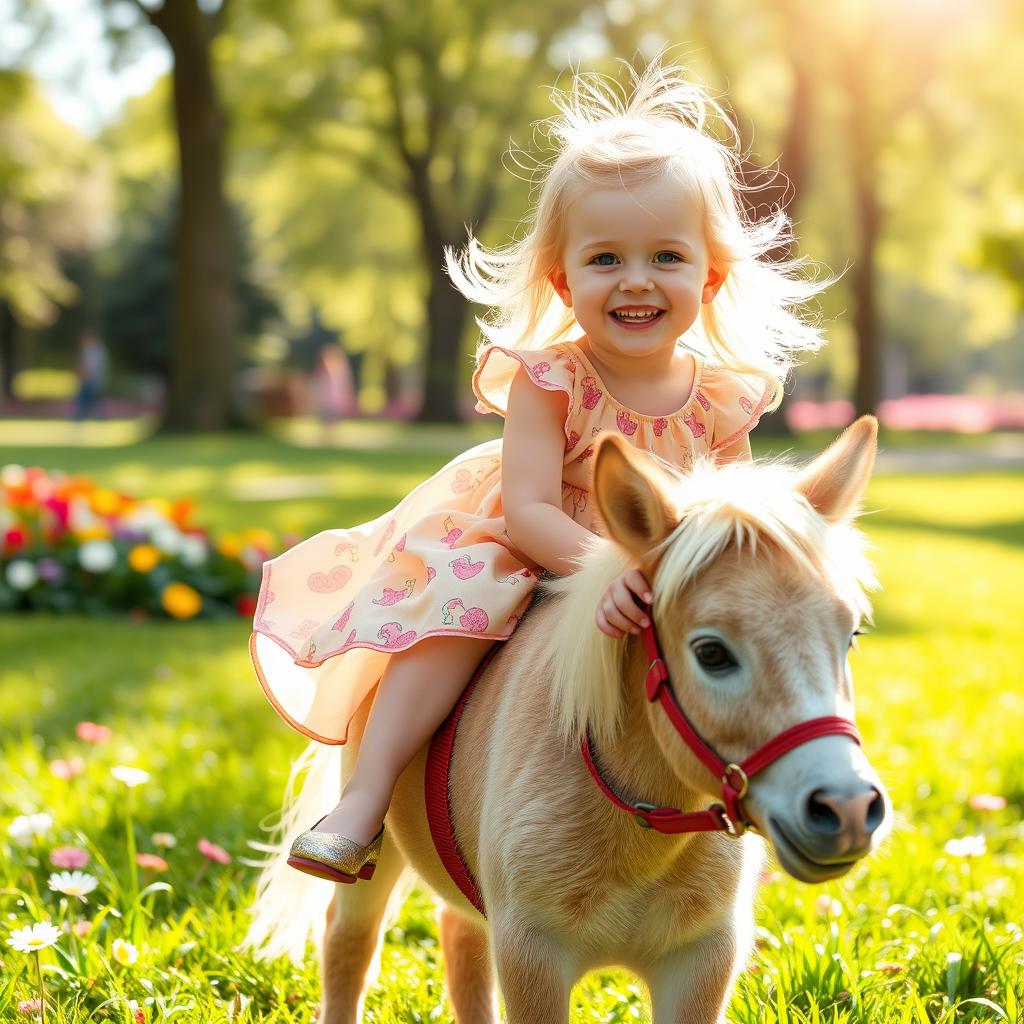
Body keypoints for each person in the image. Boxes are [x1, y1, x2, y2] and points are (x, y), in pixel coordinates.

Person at [249, 59, 832, 883]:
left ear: (710, 275)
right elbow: (525, 506)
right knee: (455, 613)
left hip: (662, 577)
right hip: (537, 552)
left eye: (666, 255)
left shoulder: (719, 398)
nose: (635, 279)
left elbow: (732, 520)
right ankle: (366, 797)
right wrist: (602, 567)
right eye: (605, 260)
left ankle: (741, 787)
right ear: (564, 277)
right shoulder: (551, 376)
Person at [73, 329, 108, 421]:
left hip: (91, 380)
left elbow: (92, 367)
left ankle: (78, 419)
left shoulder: (95, 351)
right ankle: (98, 418)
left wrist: (83, 376)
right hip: (88, 380)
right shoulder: (87, 350)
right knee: (90, 402)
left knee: (86, 401)